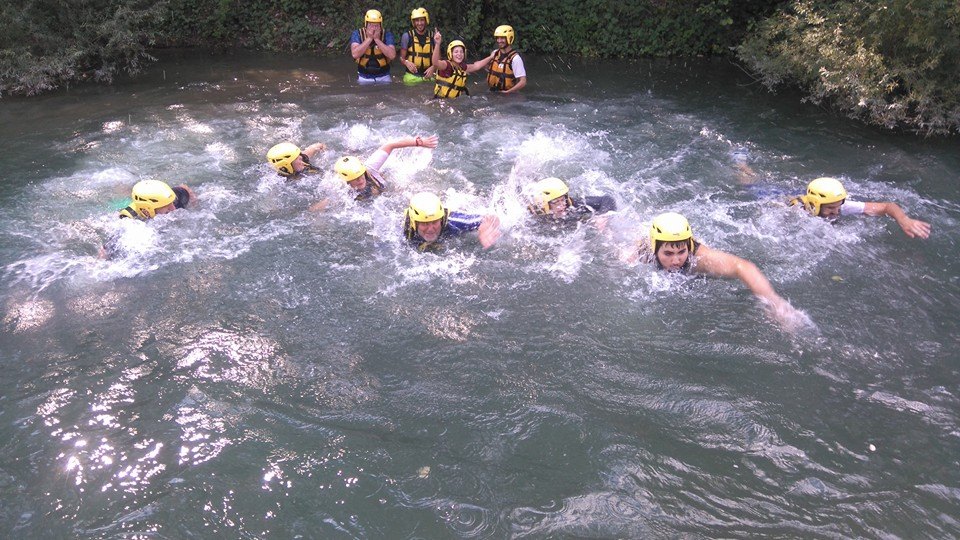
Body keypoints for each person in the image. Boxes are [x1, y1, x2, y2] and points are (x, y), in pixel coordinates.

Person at [636, 212, 808, 330]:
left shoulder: (700, 259)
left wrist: (775, 303)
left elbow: (743, 267)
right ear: (654, 250)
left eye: (681, 252)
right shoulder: (643, 253)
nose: (676, 260)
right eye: (668, 254)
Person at [789, 177, 931, 239]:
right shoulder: (796, 210)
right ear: (815, 205)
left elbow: (887, 206)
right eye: (831, 209)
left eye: (839, 207)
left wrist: (904, 220)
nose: (836, 213)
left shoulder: (840, 205)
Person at [334, 134, 439, 201]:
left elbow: (390, 145)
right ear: (347, 181)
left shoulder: (369, 167)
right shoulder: (341, 190)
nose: (359, 179)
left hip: (385, 183)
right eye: (354, 178)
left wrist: (419, 142)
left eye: (360, 175)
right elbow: (329, 200)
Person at [402, 192, 501, 252]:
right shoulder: (404, 230)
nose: (431, 229)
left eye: (435, 222)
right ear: (414, 222)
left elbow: (490, 218)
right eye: (425, 223)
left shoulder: (452, 222)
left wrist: (485, 228)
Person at [430, 30, 495, 99]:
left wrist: (490, 57)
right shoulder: (446, 65)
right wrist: (437, 44)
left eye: (461, 52)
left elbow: (476, 66)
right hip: (439, 101)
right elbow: (435, 63)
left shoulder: (462, 67)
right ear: (450, 53)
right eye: (456, 52)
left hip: (454, 102)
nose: (459, 54)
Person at [527, 177, 616, 223]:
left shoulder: (573, 206)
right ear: (544, 205)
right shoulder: (532, 217)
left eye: (563, 199)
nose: (562, 205)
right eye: (556, 202)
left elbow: (608, 199)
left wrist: (602, 216)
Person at [350, 9, 396, 84]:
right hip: (364, 77)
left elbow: (392, 55)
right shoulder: (357, 34)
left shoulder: (387, 34)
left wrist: (377, 40)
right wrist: (369, 38)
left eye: (376, 25)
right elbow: (355, 54)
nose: (374, 28)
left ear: (380, 25)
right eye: (371, 25)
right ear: (366, 24)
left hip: (384, 77)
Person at [118, 180, 195, 220]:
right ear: (147, 212)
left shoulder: (169, 198)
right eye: (167, 208)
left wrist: (194, 205)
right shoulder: (128, 221)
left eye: (172, 202)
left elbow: (184, 189)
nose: (174, 209)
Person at [399, 7, 436, 84]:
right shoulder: (406, 36)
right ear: (414, 22)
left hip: (429, 75)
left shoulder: (433, 36)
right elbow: (401, 58)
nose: (419, 23)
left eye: (422, 20)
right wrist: (406, 62)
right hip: (411, 76)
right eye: (417, 21)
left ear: (426, 21)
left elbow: (438, 59)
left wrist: (434, 67)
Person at [486, 25, 526, 94]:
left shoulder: (516, 59)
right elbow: (491, 70)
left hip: (508, 95)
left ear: (509, 38)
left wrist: (508, 92)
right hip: (492, 92)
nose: (499, 41)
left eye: (502, 38)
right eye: (497, 38)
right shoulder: (494, 53)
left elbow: (523, 82)